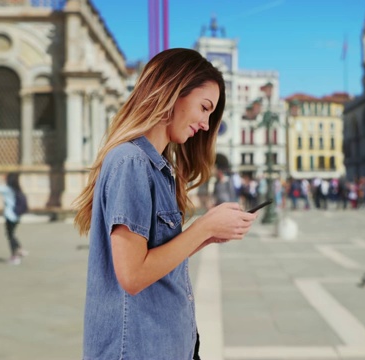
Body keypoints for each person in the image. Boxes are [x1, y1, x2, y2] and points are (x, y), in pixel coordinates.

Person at [72, 48, 257, 360]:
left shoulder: (157, 168)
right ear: (173, 91)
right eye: (204, 108)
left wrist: (208, 236)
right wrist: (202, 228)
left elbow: (151, 256)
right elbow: (132, 275)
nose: (206, 124)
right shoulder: (131, 162)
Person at [0, 172, 28, 265]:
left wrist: (0, 179)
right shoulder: (17, 190)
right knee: (12, 234)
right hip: (16, 216)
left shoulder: (8, 190)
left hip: (10, 216)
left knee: (10, 236)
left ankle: (14, 256)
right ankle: (20, 249)